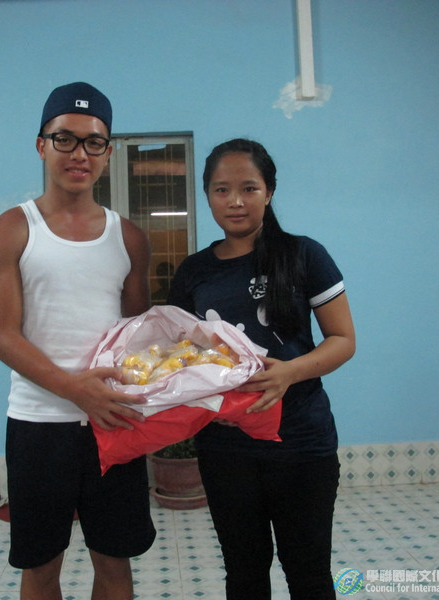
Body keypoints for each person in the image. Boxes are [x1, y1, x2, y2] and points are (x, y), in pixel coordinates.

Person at [0, 82, 156, 600]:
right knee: (40, 567)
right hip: (38, 426)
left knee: (115, 563)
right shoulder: (9, 230)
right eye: (65, 139)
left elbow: (138, 333)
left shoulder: (129, 238)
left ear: (108, 152)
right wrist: (77, 390)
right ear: (42, 145)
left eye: (93, 142)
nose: (80, 154)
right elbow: (4, 338)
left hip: (114, 423)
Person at [167, 138, 356, 600]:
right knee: (244, 573)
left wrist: (289, 372)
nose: (235, 201)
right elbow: (180, 356)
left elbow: (343, 341)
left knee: (308, 574)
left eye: (248, 188)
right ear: (207, 195)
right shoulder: (194, 272)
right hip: (225, 449)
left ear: (268, 192)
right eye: (221, 190)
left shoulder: (304, 254)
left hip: (301, 442)